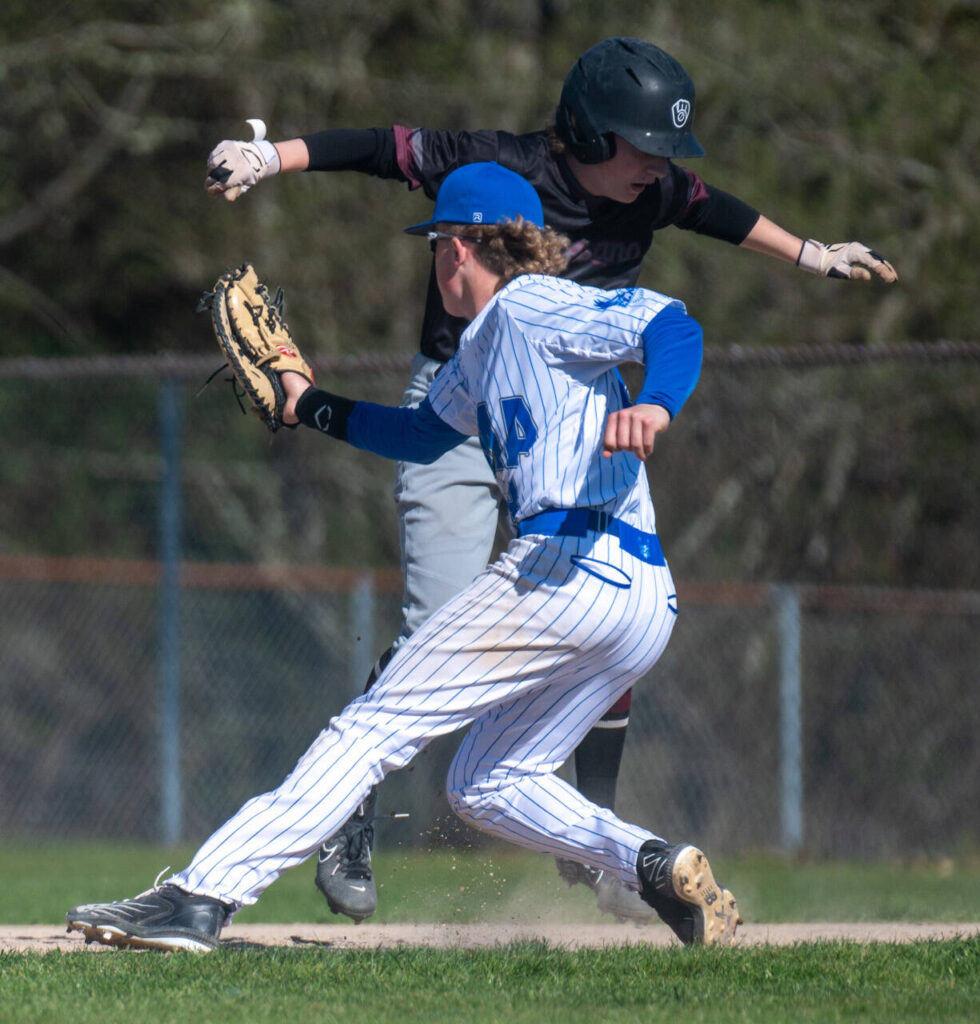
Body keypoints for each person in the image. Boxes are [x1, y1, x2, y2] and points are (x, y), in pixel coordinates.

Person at [203, 36, 898, 925]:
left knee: (605, 623)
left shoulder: (653, 193)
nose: (658, 168)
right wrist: (271, 156)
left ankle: (605, 851)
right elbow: (385, 147)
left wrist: (811, 254)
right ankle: (346, 816)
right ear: (584, 131)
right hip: (460, 408)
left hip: (572, 424)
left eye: (665, 153)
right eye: (641, 147)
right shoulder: (505, 169)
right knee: (438, 629)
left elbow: (716, 216)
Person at [66, 162, 739, 952]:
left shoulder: (534, 305)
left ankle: (201, 896)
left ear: (458, 248)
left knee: (373, 726)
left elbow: (672, 326)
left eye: (435, 248)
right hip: (640, 598)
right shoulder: (484, 348)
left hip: (565, 565)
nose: (434, 265)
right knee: (484, 784)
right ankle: (650, 864)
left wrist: (656, 402)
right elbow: (420, 437)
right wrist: (304, 402)